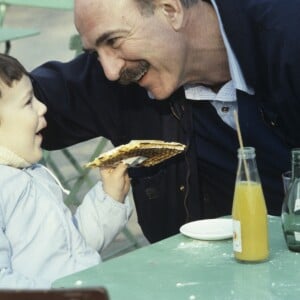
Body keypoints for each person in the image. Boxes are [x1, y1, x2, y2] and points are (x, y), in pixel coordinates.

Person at [31, 0, 300, 243]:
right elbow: (19, 98)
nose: (110, 71)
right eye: (95, 53)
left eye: (113, 41)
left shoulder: (287, 36)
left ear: (170, 10)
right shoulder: (119, 81)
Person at [0, 53, 132, 288]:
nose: (42, 107)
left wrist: (109, 199)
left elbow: (71, 246)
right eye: (28, 102)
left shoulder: (33, 173)